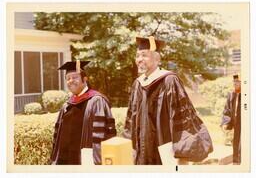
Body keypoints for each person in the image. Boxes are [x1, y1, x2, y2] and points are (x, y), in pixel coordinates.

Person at [123, 36, 213, 165]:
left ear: (157, 59)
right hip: (142, 151)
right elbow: (131, 118)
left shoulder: (169, 81)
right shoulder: (138, 84)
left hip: (165, 149)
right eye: (137, 56)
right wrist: (128, 144)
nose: (139, 60)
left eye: (144, 55)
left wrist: (182, 151)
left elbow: (182, 118)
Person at [50, 60, 116, 165]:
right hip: (63, 162)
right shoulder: (66, 105)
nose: (71, 81)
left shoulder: (96, 101)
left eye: (75, 77)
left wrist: (98, 162)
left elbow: (104, 134)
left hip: (86, 162)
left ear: (84, 79)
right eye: (68, 78)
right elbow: (57, 136)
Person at [221, 74, 241, 164]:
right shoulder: (232, 95)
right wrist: (225, 122)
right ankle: (236, 163)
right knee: (236, 142)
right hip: (236, 123)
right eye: (234, 82)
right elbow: (227, 110)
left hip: (245, 123)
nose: (235, 84)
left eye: (238, 82)